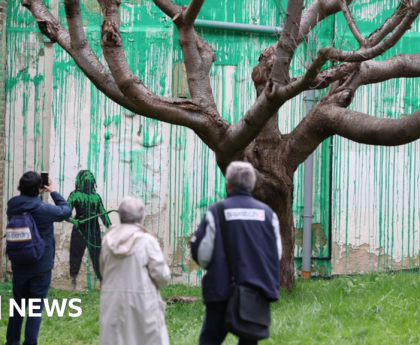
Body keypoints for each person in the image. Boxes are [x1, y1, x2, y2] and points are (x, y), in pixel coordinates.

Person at [190, 161, 282, 345]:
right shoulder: (267, 214)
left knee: (210, 340)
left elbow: (203, 254)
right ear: (253, 184)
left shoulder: (216, 211)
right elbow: (276, 253)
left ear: (228, 185)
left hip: (221, 290)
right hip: (255, 293)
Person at [6, 171, 71, 345]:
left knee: (18, 307)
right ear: (40, 189)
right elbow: (66, 211)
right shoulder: (45, 209)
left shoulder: (12, 208)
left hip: (19, 266)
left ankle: (11, 342)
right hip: (40, 268)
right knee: (35, 309)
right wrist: (53, 192)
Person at [99, 196, 170, 345]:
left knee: (116, 339)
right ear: (142, 216)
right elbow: (162, 276)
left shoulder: (108, 240)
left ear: (120, 215)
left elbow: (103, 269)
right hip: (142, 300)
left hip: (112, 300)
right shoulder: (147, 241)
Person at [67, 170, 111, 285]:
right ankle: (73, 281)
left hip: (94, 230)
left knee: (97, 256)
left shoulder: (96, 197)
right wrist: (73, 220)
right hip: (79, 230)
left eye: (91, 176)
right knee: (75, 256)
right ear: (81, 180)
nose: (90, 177)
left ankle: (102, 281)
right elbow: (65, 213)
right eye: (87, 176)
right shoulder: (74, 195)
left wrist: (110, 227)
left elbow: (103, 213)